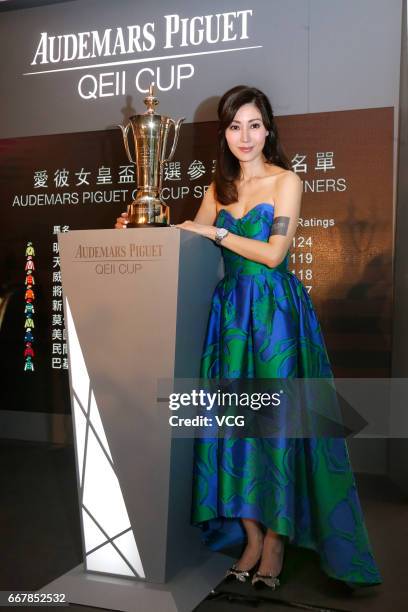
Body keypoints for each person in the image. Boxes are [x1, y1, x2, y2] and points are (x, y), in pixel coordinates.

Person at [115, 85, 382, 590]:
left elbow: (274, 254)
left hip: (277, 316)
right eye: (235, 126)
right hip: (231, 321)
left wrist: (215, 232)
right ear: (225, 133)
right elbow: (183, 237)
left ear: (269, 129)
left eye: (254, 124)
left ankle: (278, 541)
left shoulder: (287, 180)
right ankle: (252, 534)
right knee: (232, 428)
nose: (245, 136)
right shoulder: (219, 190)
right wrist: (140, 225)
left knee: (275, 427)